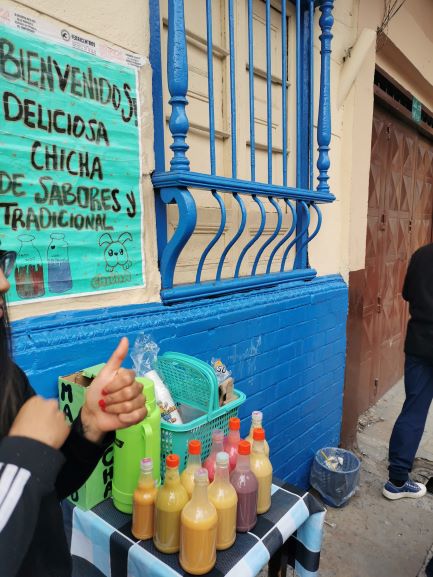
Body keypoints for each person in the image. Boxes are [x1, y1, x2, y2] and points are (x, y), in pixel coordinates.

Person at [0, 248, 147, 576]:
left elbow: (47, 489)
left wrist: (89, 428)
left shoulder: (8, 378)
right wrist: (24, 458)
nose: (4, 283)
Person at [383, 243, 433, 500]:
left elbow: (407, 293)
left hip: (419, 344)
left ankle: (397, 480)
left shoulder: (422, 255)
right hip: (420, 344)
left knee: (414, 408)